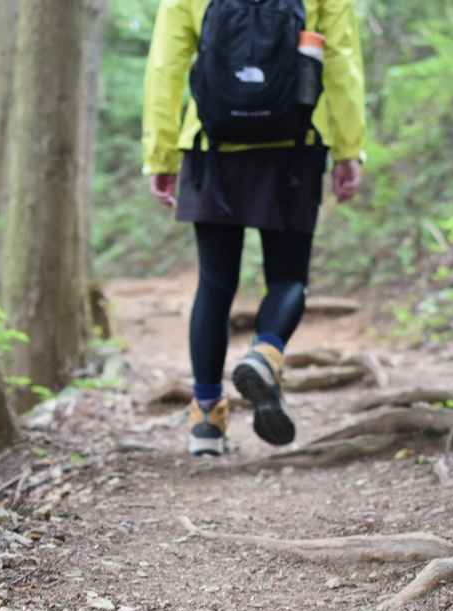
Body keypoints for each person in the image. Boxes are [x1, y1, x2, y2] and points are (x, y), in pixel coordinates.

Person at [142, 0, 366, 457]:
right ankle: (265, 354)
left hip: (210, 144)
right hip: (296, 144)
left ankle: (206, 416)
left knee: (215, 282)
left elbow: (165, 66)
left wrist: (160, 154)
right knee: (289, 278)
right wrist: (349, 148)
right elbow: (341, 59)